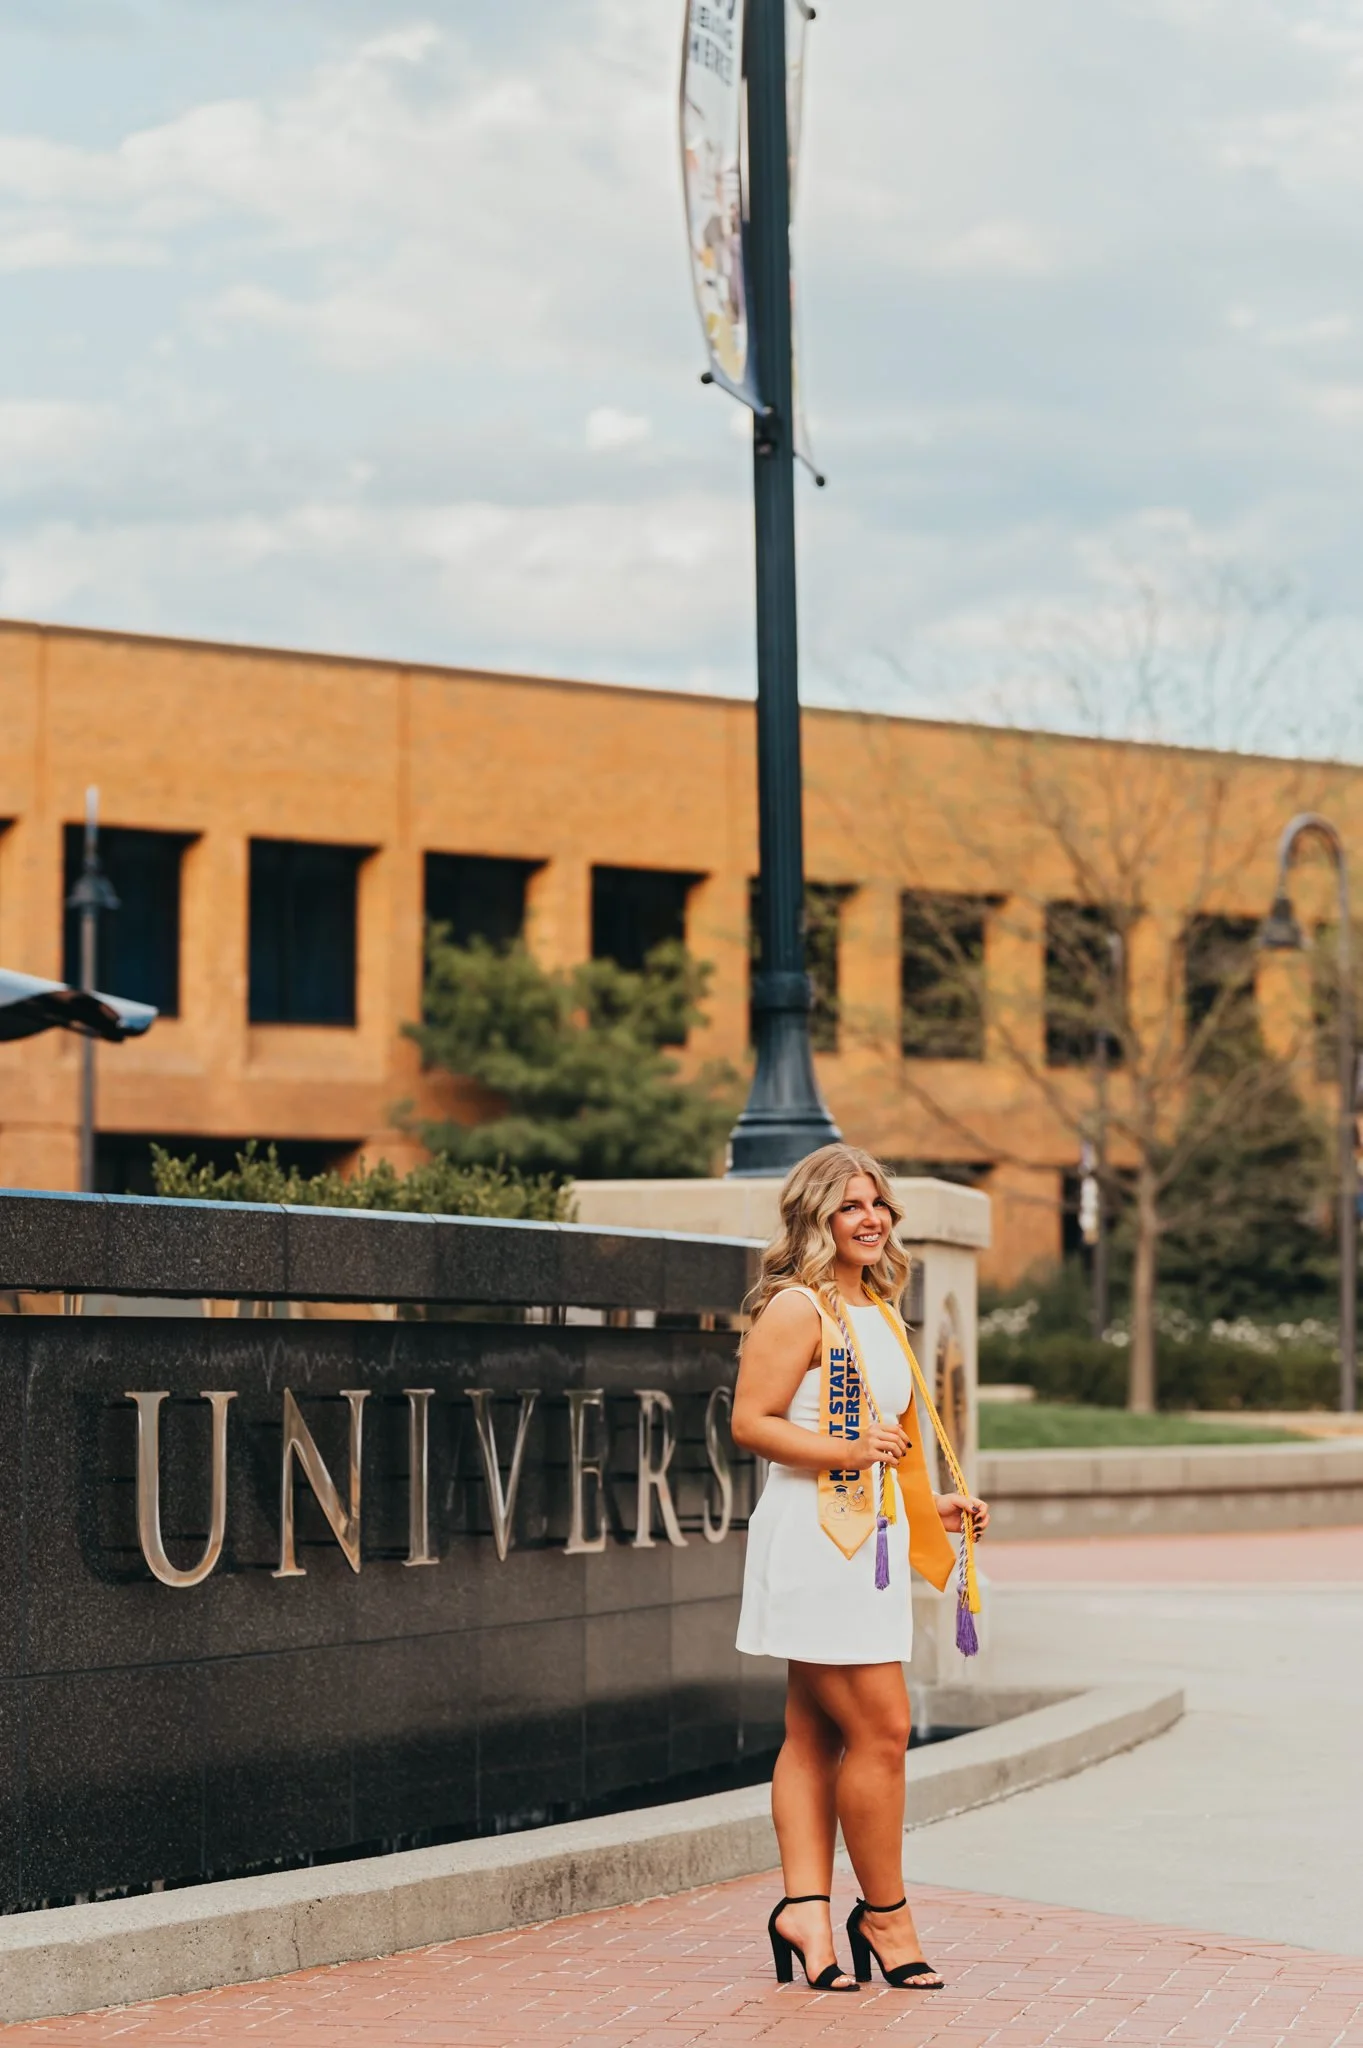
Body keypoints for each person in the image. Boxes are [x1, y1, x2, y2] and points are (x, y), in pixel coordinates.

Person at [732, 1143, 990, 1993]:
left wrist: (934, 1513)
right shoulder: (796, 1309)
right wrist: (843, 1448)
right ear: (817, 1218)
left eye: (877, 1204)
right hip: (814, 1539)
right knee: (882, 1730)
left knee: (813, 1732)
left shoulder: (877, 1311)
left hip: (865, 1544)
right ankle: (884, 1915)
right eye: (850, 1207)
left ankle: (804, 1911)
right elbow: (751, 1422)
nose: (870, 1219)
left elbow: (898, 1446)